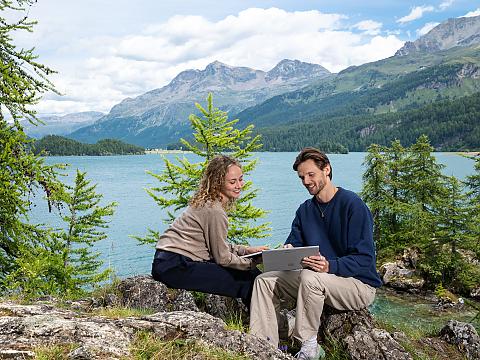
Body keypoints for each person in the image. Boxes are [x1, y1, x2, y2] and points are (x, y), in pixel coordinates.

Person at [249, 147, 382, 359]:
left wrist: (330, 265)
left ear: (326, 170)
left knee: (311, 277)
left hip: (357, 285)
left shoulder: (352, 205)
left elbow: (364, 260)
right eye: (302, 177)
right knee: (264, 281)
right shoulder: (304, 210)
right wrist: (289, 249)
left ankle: (309, 346)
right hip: (317, 280)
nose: (306, 181)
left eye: (311, 174)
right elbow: (295, 242)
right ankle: (265, 347)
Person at [151, 155, 268, 307]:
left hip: (168, 262)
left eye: (240, 179)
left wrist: (245, 250)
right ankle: (263, 326)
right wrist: (251, 263)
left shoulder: (208, 202)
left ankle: (263, 323)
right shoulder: (215, 210)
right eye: (232, 182)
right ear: (217, 183)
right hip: (176, 266)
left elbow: (215, 244)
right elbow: (223, 258)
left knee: (251, 277)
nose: (239, 185)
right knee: (250, 280)